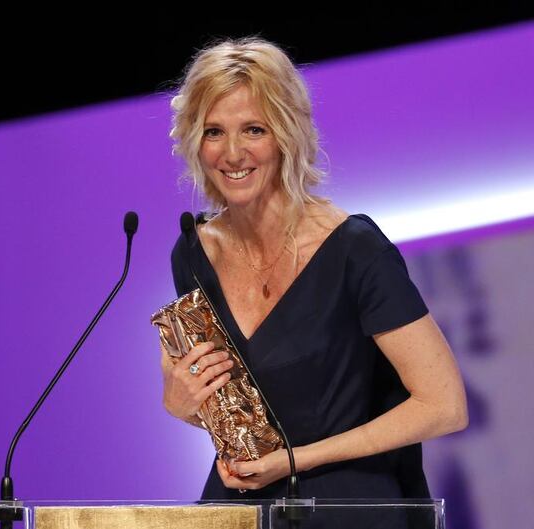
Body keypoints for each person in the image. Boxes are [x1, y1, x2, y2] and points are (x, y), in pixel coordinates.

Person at [161, 37, 468, 507]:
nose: (233, 153)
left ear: (287, 135)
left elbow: (443, 406)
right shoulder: (193, 254)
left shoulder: (354, 249)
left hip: (346, 504)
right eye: (213, 131)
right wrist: (183, 405)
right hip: (243, 504)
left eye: (254, 130)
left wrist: (296, 459)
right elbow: (233, 405)